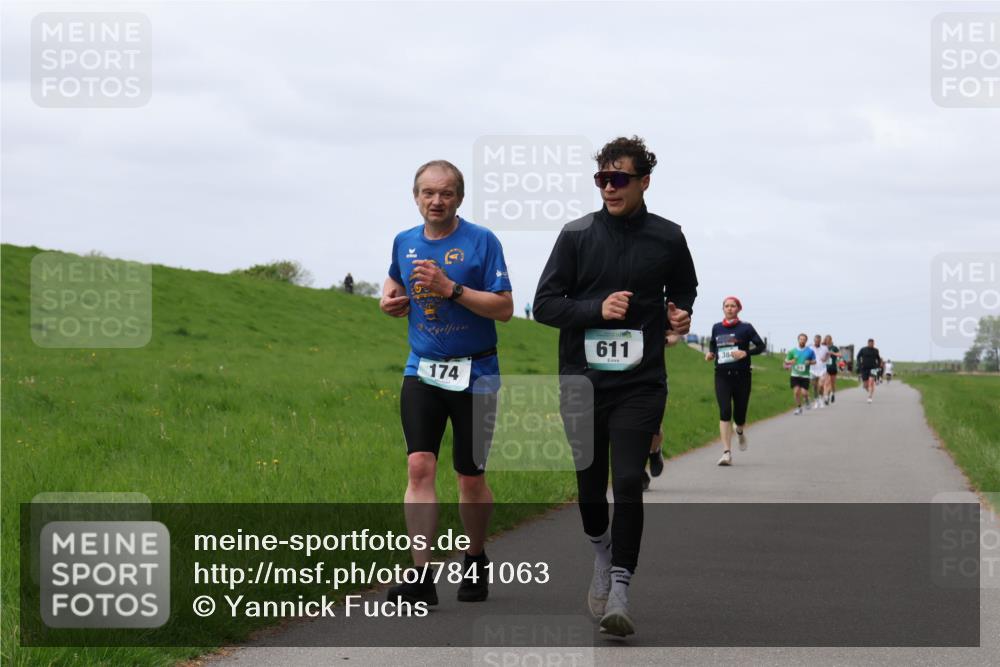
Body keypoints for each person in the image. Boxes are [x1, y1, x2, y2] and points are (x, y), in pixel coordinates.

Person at [534, 136, 697, 637]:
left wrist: (679, 314)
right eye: (602, 180)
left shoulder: (668, 237)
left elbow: (685, 287)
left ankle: (621, 587)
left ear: (643, 181)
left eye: (618, 179)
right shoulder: (576, 235)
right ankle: (602, 553)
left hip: (640, 382)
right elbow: (544, 305)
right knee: (589, 487)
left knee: (626, 480)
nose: (609, 188)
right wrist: (594, 310)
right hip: (582, 382)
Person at [381, 159, 513, 606]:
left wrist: (449, 288)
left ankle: (475, 557)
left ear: (459, 197)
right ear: (415, 196)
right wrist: (389, 300)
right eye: (427, 193)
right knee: (419, 465)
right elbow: (395, 281)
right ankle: (422, 577)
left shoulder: (482, 242)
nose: (436, 201)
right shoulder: (404, 241)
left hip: (476, 373)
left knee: (469, 477)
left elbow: (504, 308)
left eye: (446, 193)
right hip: (423, 369)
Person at [704, 296, 766, 466]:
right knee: (724, 411)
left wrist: (746, 353)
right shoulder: (717, 327)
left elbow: (761, 346)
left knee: (739, 416)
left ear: (739, 309)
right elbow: (712, 344)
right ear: (723, 309)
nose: (730, 308)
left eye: (733, 306)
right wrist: (711, 354)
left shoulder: (746, 328)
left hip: (742, 376)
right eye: (726, 306)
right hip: (722, 375)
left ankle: (739, 431)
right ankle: (726, 452)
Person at [784, 333, 816, 415]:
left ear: (806, 341)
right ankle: (799, 408)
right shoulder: (792, 351)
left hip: (805, 375)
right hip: (795, 375)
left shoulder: (810, 351)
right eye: (801, 339)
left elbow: (815, 361)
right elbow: (786, 361)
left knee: (804, 392)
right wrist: (790, 362)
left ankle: (807, 400)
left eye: (804, 339)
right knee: (796, 392)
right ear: (798, 340)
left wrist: (809, 362)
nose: (802, 341)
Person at [856, 338, 883, 403]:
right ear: (868, 343)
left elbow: (878, 359)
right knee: (865, 385)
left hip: (873, 368)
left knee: (871, 382)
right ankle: (869, 391)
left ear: (874, 343)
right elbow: (858, 356)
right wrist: (859, 364)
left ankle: (870, 396)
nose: (871, 344)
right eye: (870, 343)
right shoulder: (863, 349)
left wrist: (879, 366)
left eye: (873, 343)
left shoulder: (876, 350)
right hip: (864, 368)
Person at [809, 334, 829, 409]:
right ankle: (816, 400)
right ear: (814, 340)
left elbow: (828, 354)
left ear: (820, 341)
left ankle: (821, 398)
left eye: (818, 340)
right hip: (813, 370)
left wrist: (825, 359)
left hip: (822, 369)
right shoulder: (810, 347)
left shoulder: (824, 348)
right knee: (814, 386)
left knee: (820, 385)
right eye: (816, 340)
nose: (817, 342)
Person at [823, 334, 840, 403]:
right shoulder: (823, 347)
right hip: (825, 367)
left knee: (832, 383)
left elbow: (840, 354)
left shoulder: (834, 347)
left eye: (828, 340)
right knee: (827, 382)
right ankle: (826, 397)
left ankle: (832, 394)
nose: (827, 341)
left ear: (831, 340)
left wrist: (833, 353)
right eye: (826, 339)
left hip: (833, 367)